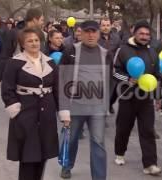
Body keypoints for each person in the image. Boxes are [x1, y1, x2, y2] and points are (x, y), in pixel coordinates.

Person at [1, 28, 59, 180]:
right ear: (22, 44)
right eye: (29, 41)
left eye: (36, 40)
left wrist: (63, 112)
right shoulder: (14, 63)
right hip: (25, 114)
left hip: (47, 115)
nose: (34, 43)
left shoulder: (50, 63)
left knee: (43, 155)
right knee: (28, 156)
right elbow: (7, 89)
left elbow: (58, 89)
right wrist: (15, 109)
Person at [58, 20, 111, 179]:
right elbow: (62, 80)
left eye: (94, 31)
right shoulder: (71, 51)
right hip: (75, 105)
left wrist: (106, 105)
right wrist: (64, 108)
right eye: (87, 31)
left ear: (99, 34)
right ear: (81, 32)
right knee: (71, 139)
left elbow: (109, 81)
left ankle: (99, 177)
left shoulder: (105, 54)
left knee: (98, 143)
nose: (90, 35)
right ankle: (67, 165)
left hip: (97, 107)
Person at [113, 20, 162, 175]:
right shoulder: (123, 50)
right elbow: (114, 71)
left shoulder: (153, 52)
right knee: (123, 128)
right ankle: (120, 153)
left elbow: (156, 77)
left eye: (147, 34)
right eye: (141, 33)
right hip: (127, 96)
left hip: (145, 98)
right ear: (134, 33)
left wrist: (158, 97)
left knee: (147, 130)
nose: (144, 36)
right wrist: (128, 79)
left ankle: (150, 164)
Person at [0, 8, 45, 84]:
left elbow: (44, 54)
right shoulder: (14, 33)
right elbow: (5, 54)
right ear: (34, 19)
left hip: (37, 75)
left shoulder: (41, 34)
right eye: (41, 20)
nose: (42, 23)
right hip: (18, 74)